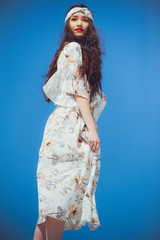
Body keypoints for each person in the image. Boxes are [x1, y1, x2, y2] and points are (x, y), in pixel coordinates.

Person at [33, 3, 107, 240]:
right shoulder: (74, 48)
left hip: (61, 127)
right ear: (67, 24)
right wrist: (92, 129)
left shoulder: (72, 52)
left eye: (84, 20)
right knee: (58, 204)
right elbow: (78, 92)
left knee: (51, 207)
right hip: (68, 129)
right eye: (74, 19)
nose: (79, 23)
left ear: (90, 26)